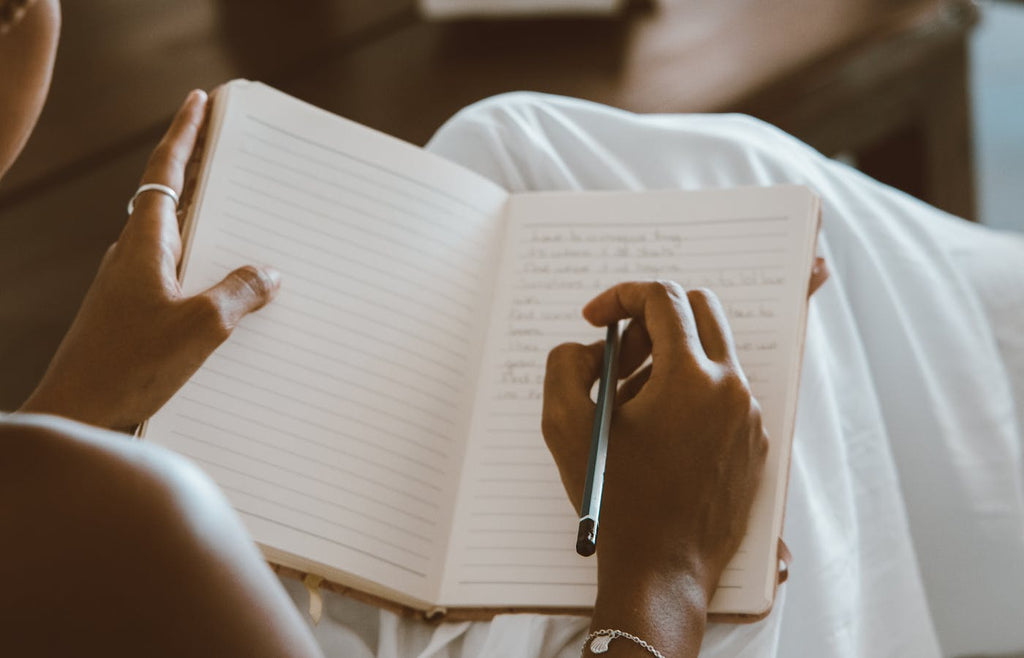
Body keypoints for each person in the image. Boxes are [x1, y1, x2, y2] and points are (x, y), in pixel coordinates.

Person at [3, 2, 1024, 657]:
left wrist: (72, 407)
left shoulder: (69, 483)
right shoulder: (125, 520)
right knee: (754, 356)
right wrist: (660, 569)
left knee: (517, 146)